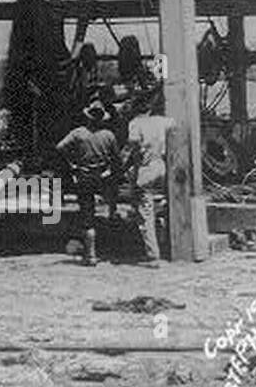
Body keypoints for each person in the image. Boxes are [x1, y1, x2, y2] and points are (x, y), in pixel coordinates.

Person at [56, 100, 120, 266]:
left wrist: (73, 164)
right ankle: (112, 248)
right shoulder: (109, 135)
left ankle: (91, 255)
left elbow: (60, 147)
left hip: (84, 176)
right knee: (109, 212)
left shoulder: (78, 133)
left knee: (87, 215)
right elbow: (116, 159)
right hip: (103, 177)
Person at [120, 88, 173, 266]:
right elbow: (176, 124)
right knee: (158, 207)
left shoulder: (135, 124)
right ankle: (163, 245)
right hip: (161, 167)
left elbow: (130, 146)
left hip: (145, 170)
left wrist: (118, 166)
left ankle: (153, 256)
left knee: (145, 215)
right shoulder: (161, 121)